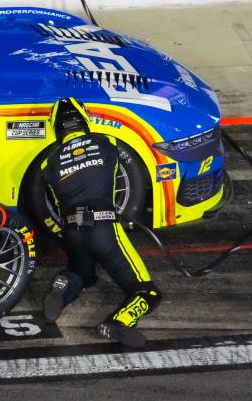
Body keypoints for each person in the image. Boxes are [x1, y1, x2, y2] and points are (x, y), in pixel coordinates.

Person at [40, 97, 161, 348]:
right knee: (147, 292)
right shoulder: (107, 143)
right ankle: (119, 321)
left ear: (56, 127)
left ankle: (64, 284)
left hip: (73, 231)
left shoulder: (47, 164)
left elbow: (56, 207)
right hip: (105, 228)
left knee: (83, 274)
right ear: (84, 120)